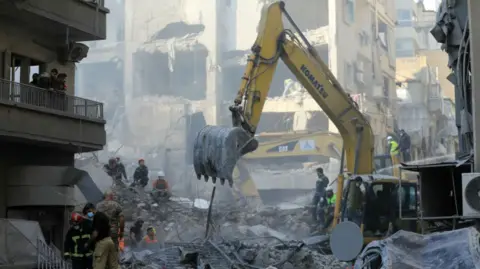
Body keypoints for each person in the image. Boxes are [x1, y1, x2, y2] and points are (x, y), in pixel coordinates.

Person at [82, 203, 119, 269]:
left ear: (90, 209)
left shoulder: (97, 216)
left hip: (102, 243)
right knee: (113, 265)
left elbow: (95, 233)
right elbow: (110, 228)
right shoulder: (103, 215)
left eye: (87, 212)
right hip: (109, 241)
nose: (88, 215)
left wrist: (88, 243)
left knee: (98, 265)